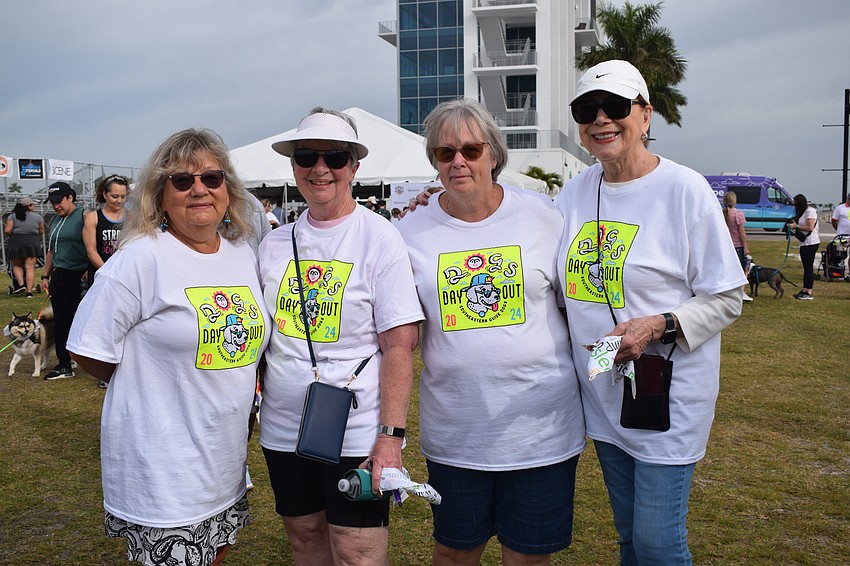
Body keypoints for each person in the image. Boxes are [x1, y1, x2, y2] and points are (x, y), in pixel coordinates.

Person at [557, 60, 745, 565]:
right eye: (586, 109)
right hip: (601, 386)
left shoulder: (684, 190)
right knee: (629, 537)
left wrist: (659, 323)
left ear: (644, 116)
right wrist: (436, 203)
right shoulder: (573, 192)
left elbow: (728, 296)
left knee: (659, 541)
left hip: (667, 392)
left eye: (616, 107)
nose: (601, 119)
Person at [67, 128, 270, 566]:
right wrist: (151, 383)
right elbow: (87, 348)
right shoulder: (141, 259)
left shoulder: (242, 254)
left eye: (212, 179)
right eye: (182, 181)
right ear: (160, 196)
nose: (199, 189)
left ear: (228, 191)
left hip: (224, 457)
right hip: (163, 463)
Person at [397, 98, 585, 566]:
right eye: (445, 153)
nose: (458, 160)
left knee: (527, 558)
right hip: (458, 433)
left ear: (494, 155)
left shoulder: (546, 217)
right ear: (434, 163)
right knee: (455, 553)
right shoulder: (408, 232)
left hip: (542, 431)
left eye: (471, 149)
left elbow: (578, 304)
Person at [258, 108, 423, 565]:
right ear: (293, 166)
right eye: (307, 156)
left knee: (357, 550)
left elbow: (399, 345)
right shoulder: (272, 243)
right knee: (305, 536)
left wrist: (391, 437)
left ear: (354, 166)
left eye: (335, 157)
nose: (320, 168)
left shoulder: (379, 237)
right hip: (284, 425)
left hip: (357, 427)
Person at [42, 182, 89, 380]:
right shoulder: (54, 221)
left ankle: (91, 361)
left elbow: (92, 245)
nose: (56, 206)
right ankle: (64, 364)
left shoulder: (84, 216)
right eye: (52, 203)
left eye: (59, 201)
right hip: (59, 276)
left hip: (80, 276)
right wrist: (45, 275)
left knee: (84, 321)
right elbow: (51, 251)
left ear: (70, 198)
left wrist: (90, 268)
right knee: (62, 321)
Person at [83, 174, 128, 282]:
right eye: (115, 196)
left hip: (125, 274)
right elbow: (91, 251)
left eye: (123, 197)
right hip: (102, 274)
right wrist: (107, 271)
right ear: (105, 194)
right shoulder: (93, 218)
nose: (119, 201)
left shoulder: (132, 218)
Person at [4, 196, 44, 297]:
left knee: (16, 265)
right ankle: (29, 292)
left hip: (16, 242)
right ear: (29, 206)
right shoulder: (38, 217)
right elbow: (41, 231)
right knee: (30, 267)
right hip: (32, 242)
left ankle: (21, 284)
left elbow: (7, 230)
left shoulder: (13, 216)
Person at [788, 194, 819, 300]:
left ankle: (809, 291)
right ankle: (805, 289)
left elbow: (810, 227)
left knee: (809, 267)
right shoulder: (802, 212)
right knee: (806, 267)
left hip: (811, 242)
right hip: (804, 243)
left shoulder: (810, 212)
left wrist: (796, 226)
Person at [722, 191, 752, 302]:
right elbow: (741, 232)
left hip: (726, 245)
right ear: (735, 201)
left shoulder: (722, 213)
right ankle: (741, 292)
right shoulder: (738, 214)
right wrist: (745, 247)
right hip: (737, 246)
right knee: (743, 269)